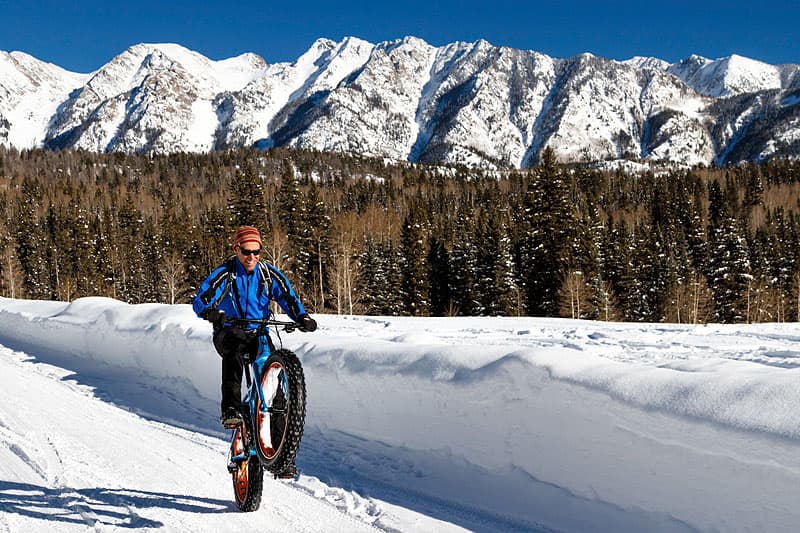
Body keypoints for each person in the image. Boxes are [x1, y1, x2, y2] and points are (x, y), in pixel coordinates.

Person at [193, 225, 317, 432]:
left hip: (259, 332)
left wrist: (302, 317)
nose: (251, 257)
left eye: (256, 252)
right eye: (246, 252)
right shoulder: (226, 274)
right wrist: (209, 312)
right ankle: (231, 410)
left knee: (273, 382)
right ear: (236, 249)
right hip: (229, 330)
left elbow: (288, 298)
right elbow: (201, 298)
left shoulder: (268, 274)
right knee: (234, 356)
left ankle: (281, 453)